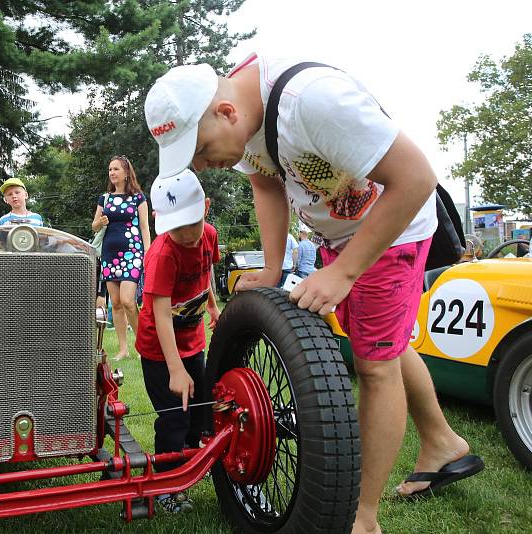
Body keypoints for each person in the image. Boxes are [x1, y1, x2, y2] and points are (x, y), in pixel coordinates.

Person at [145, 58, 481, 534]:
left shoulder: (314, 101)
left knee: (375, 364)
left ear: (225, 112)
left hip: (392, 233)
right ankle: (442, 440)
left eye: (198, 149)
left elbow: (417, 178)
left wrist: (344, 272)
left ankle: (362, 518)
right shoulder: (244, 120)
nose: (200, 165)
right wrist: (274, 267)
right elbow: (265, 181)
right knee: (384, 342)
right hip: (339, 236)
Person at [135, 169, 220, 514]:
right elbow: (160, 313)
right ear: (160, 221)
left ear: (206, 208)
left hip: (193, 341)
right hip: (159, 350)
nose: (186, 234)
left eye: (192, 224)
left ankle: (187, 468)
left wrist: (213, 306)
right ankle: (167, 486)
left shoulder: (210, 236)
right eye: (176, 227)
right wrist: (174, 370)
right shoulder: (163, 254)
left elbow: (206, 273)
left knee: (200, 414)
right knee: (174, 416)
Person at [91, 155, 151, 360]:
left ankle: (144, 346)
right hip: (109, 254)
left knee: (128, 301)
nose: (112, 173)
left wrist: (148, 253)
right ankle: (124, 349)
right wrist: (101, 222)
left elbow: (144, 227)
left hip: (132, 253)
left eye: (116, 169)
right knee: (115, 303)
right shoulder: (105, 198)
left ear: (126, 172)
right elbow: (94, 226)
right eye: (110, 170)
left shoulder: (138, 197)